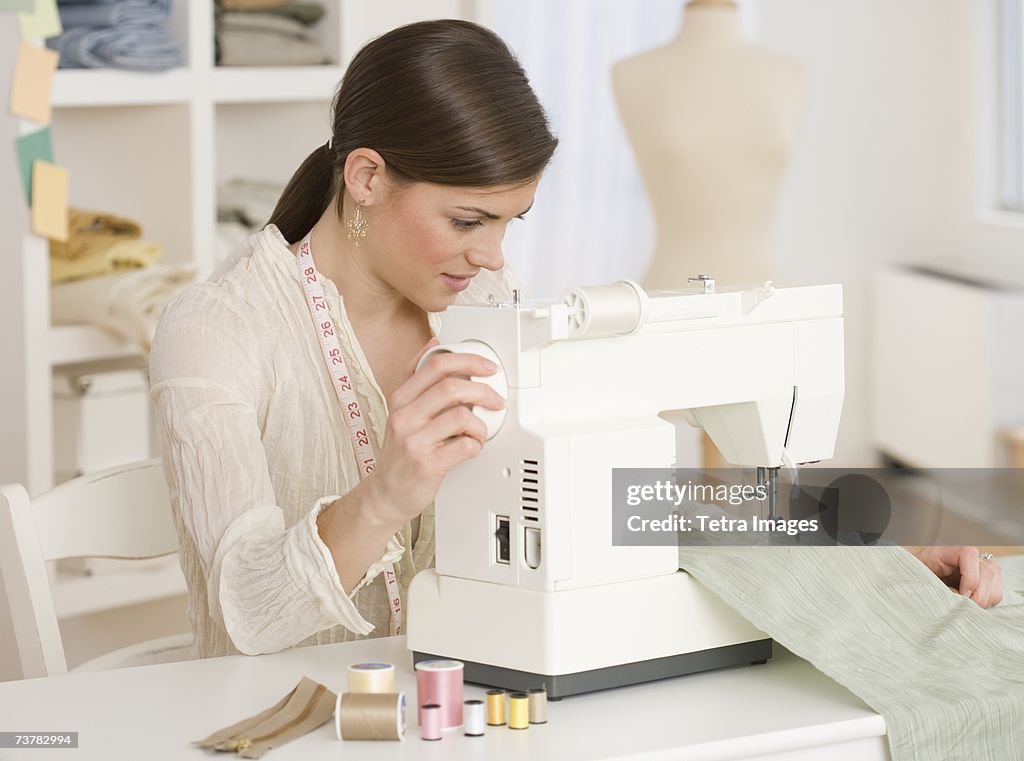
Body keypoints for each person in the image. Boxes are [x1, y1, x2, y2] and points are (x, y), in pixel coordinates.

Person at [150, 19, 1002, 661]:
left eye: (512, 221)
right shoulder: (215, 334)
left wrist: (868, 554)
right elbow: (247, 614)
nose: (495, 255)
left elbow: (623, 499)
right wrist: (384, 493)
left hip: (470, 708)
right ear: (367, 177)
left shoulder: (487, 304)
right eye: (468, 219)